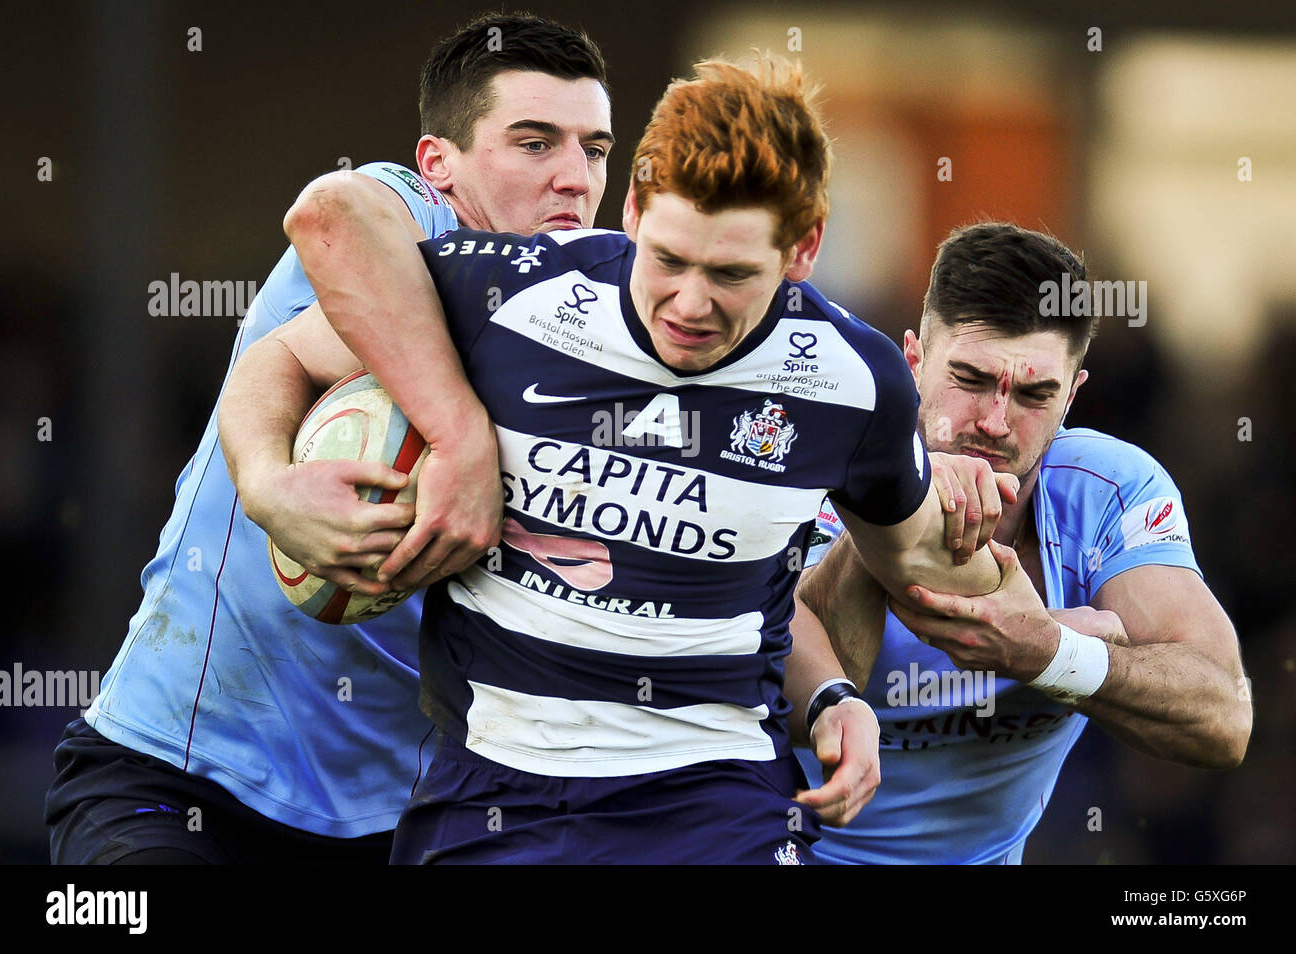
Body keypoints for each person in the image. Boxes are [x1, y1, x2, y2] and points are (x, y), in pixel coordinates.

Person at [220, 56, 1010, 864]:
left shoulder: (854, 379)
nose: (690, 304)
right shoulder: (511, 296)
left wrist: (871, 675)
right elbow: (280, 356)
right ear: (632, 210)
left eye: (732, 274)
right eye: (668, 259)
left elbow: (926, 568)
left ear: (803, 249)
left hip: (716, 797)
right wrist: (269, 485)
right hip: (493, 794)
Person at [45, 12, 618, 864]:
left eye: (595, 149)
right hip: (173, 772)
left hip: (399, 818)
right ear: (440, 163)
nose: (573, 176)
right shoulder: (408, 223)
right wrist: (280, 487)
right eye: (534, 143)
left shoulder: (599, 320)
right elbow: (327, 216)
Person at [796, 221, 1252, 864]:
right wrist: (898, 498)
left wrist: (1050, 653)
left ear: (1073, 395)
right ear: (912, 362)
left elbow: (1225, 719)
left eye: (1036, 394)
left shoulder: (1108, 489)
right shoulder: (815, 470)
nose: (993, 422)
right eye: (970, 378)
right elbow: (777, 700)